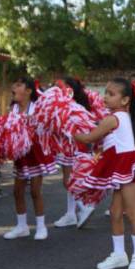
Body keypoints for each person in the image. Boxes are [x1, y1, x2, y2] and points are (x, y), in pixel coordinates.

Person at [74, 77, 135, 269]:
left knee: (133, 213)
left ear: (125, 100)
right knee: (116, 213)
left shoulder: (113, 118)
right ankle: (119, 254)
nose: (105, 97)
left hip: (127, 167)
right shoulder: (121, 117)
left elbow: (91, 137)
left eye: (111, 94)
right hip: (119, 167)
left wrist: (72, 132)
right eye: (105, 92)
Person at [3, 76, 56, 241]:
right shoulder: (13, 109)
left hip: (35, 154)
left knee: (35, 191)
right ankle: (21, 226)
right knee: (17, 191)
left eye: (18, 85)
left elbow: (45, 128)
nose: (14, 87)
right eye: (15, 83)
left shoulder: (37, 108)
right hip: (21, 156)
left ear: (28, 91)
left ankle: (41, 227)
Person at [53, 77, 94, 228]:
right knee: (72, 180)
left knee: (68, 181)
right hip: (76, 147)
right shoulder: (78, 105)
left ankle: (83, 208)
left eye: (60, 88)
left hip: (72, 147)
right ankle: (71, 214)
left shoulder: (69, 107)